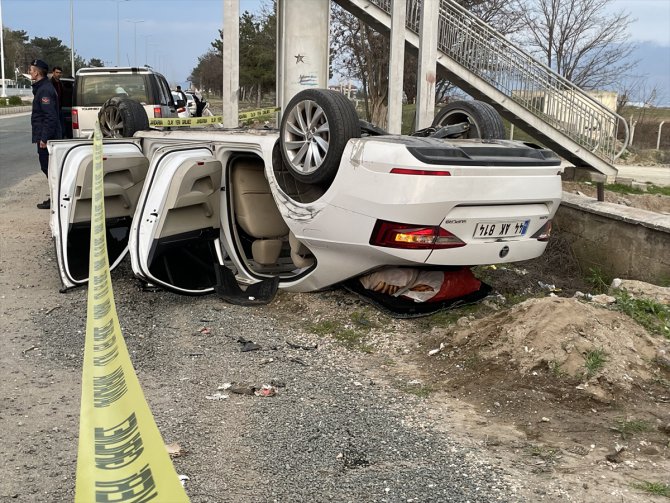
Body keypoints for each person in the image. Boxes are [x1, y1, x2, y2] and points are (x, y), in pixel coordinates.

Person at [30, 59, 61, 209]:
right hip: (44, 136)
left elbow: (50, 117)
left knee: (49, 168)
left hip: (47, 138)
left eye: (31, 70)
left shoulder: (45, 90)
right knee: (48, 168)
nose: (30, 72)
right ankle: (55, 197)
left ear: (36, 72)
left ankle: (56, 198)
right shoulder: (41, 88)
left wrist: (44, 138)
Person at [50, 66, 66, 136]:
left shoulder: (60, 83)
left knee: (62, 127)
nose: (58, 74)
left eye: (60, 73)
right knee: (55, 127)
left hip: (59, 108)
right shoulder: (50, 84)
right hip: (52, 109)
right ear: (53, 73)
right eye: (57, 72)